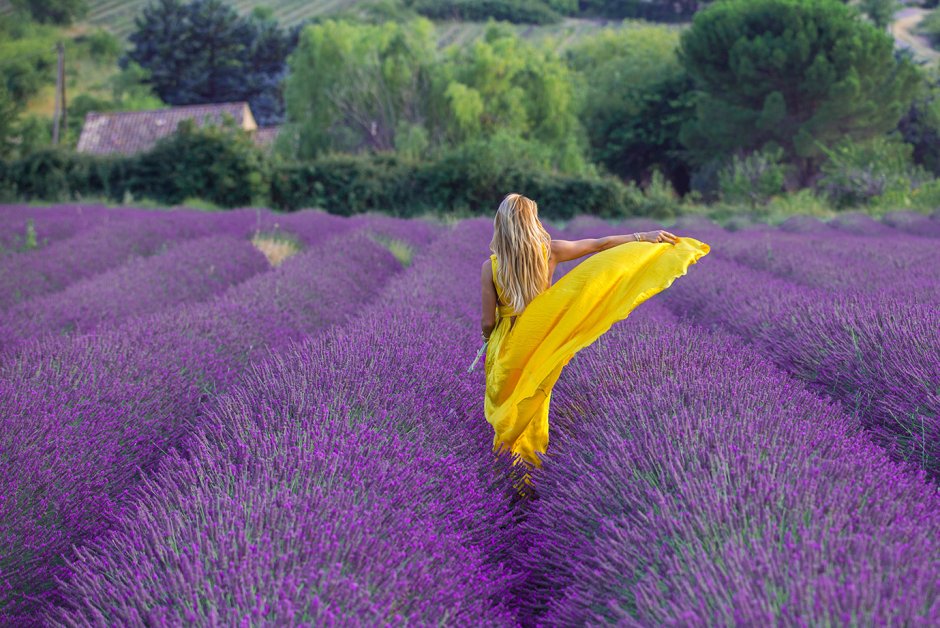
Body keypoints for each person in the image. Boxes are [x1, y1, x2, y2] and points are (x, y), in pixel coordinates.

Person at [479, 193, 710, 496]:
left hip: (509, 344)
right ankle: (529, 478)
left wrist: (489, 339)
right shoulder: (549, 251)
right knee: (534, 404)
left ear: (501, 225)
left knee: (506, 407)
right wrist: (643, 236)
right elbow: (600, 245)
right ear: (531, 221)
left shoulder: (490, 267)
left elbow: (487, 321)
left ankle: (504, 478)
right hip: (544, 339)